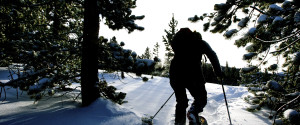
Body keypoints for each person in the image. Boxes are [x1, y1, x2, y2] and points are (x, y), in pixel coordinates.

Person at [169, 28, 223, 124]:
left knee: (181, 102)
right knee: (201, 98)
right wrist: (218, 72)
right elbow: (212, 55)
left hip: (175, 73)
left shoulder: (180, 43)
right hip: (193, 74)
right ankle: (193, 112)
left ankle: (179, 123)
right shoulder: (199, 42)